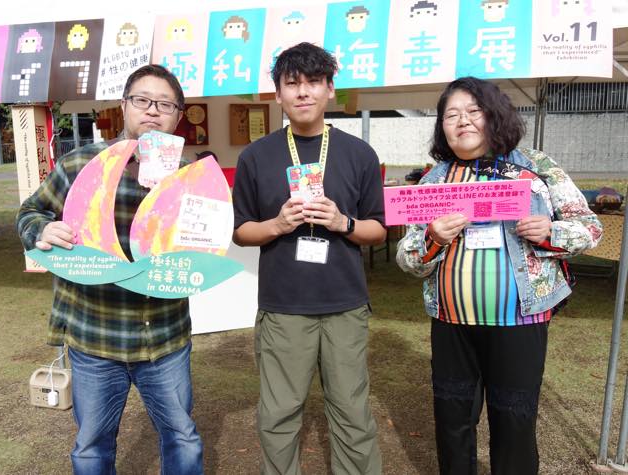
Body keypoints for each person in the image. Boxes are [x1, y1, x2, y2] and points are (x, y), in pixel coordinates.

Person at [396, 76, 602, 475]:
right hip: (452, 323)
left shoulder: (537, 168)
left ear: (494, 116)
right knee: (453, 422)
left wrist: (551, 231)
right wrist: (433, 238)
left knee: (514, 422)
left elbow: (590, 228)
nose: (463, 121)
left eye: (474, 111)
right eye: (451, 115)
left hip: (520, 322)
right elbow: (408, 259)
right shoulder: (434, 180)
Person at [16, 64, 204, 474]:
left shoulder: (189, 175)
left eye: (165, 105)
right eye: (142, 100)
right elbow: (30, 212)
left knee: (183, 439)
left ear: (177, 116)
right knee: (91, 447)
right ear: (124, 106)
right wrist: (41, 229)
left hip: (164, 336)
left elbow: (204, 244)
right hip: (95, 336)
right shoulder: (81, 164)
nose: (152, 110)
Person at [232, 42, 385, 474]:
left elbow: (377, 229)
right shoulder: (256, 156)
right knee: (278, 414)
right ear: (277, 93)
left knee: (353, 413)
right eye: (292, 83)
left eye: (314, 82)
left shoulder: (359, 154)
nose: (303, 92)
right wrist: (278, 224)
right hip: (284, 308)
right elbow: (241, 231)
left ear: (330, 89)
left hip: (345, 306)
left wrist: (343, 222)